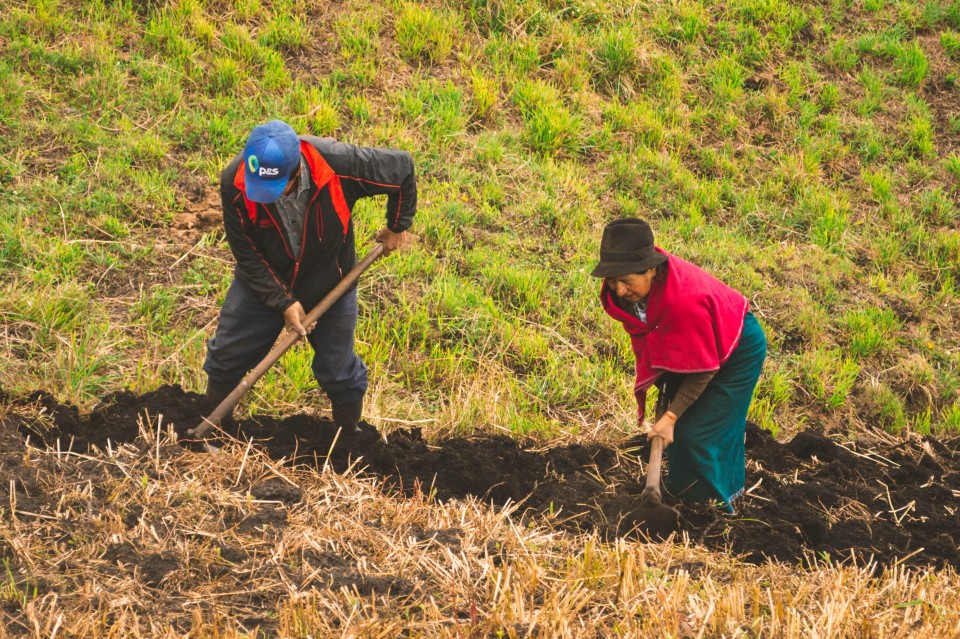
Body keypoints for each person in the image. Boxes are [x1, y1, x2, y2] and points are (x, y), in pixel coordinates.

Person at [203, 120, 417, 432]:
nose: (265, 198)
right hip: (264, 279)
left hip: (330, 278)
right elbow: (246, 253)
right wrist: (283, 302)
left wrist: (397, 225)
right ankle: (213, 429)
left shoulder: (338, 164)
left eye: (275, 190)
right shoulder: (235, 181)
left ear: (296, 172)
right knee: (226, 355)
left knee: (337, 370)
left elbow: (403, 169)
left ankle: (347, 440)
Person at [592, 218, 766, 512]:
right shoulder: (631, 295)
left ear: (650, 269)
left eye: (626, 280)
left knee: (699, 432)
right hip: (694, 343)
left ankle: (709, 507)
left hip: (737, 349)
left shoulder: (683, 302)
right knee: (688, 425)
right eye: (611, 281)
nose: (619, 290)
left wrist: (670, 417)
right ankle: (682, 492)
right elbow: (657, 336)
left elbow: (705, 369)